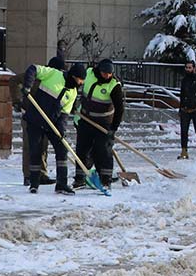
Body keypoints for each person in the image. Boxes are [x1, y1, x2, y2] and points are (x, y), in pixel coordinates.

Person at [21, 58, 84, 194]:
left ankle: (61, 184)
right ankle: (34, 183)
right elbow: (33, 68)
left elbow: (64, 115)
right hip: (35, 119)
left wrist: (61, 132)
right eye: (80, 80)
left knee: (62, 149)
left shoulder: (72, 93)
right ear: (74, 77)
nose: (81, 83)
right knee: (35, 151)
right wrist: (27, 86)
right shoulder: (53, 74)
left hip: (52, 124)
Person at [74, 59, 123, 189]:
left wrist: (114, 128)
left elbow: (120, 108)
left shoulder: (114, 85)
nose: (107, 76)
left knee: (103, 150)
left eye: (109, 73)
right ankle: (80, 178)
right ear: (99, 70)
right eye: (105, 73)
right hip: (85, 119)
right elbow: (76, 85)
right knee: (82, 149)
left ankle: (106, 180)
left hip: (104, 123)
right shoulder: (89, 73)